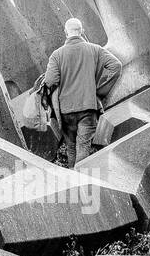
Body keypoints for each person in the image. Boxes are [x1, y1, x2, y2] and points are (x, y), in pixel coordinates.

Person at [42, 17, 122, 167]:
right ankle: (83, 181)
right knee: (83, 146)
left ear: (66, 32)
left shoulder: (57, 55)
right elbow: (116, 66)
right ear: (82, 31)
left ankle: (76, 181)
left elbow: (50, 80)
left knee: (71, 148)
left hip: (66, 110)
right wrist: (100, 91)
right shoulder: (95, 49)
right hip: (88, 107)